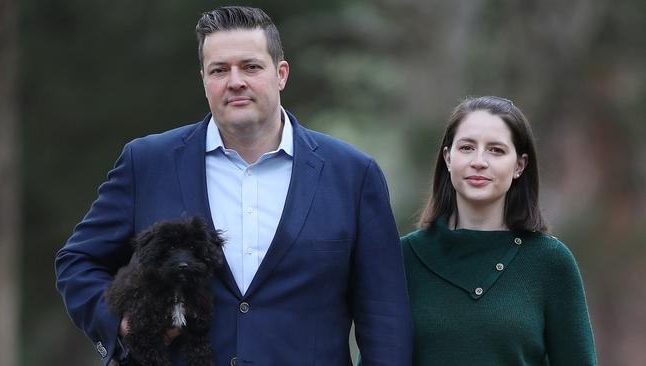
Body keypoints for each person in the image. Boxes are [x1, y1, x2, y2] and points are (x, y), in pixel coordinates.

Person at [55, 6, 413, 366]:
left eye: (251, 66)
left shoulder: (353, 174)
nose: (235, 80)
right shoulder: (147, 162)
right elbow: (77, 261)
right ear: (204, 80)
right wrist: (122, 323)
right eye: (219, 70)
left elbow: (385, 317)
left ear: (281, 74)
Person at [403, 96, 597, 365]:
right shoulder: (404, 258)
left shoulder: (550, 261)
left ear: (519, 165)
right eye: (467, 147)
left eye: (496, 150)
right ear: (448, 158)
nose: (479, 161)